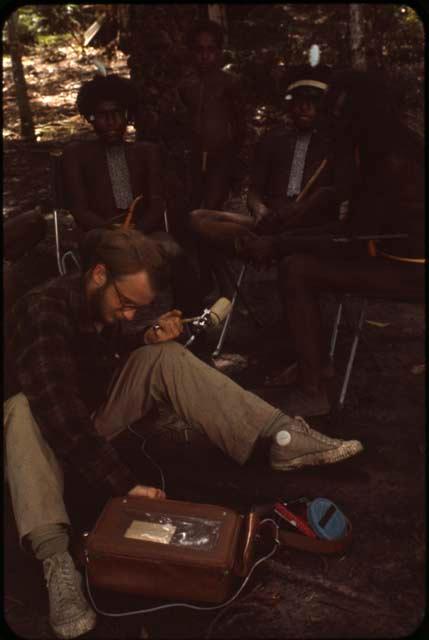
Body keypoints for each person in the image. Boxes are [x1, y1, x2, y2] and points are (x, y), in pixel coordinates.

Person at [5, 228, 363, 639]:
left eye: (135, 308)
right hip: (33, 436)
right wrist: (124, 487)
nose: (127, 314)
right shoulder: (44, 311)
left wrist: (143, 334)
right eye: (125, 304)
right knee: (21, 410)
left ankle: (280, 437)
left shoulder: (98, 302)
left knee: (165, 356)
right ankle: (55, 559)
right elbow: (60, 416)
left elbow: (101, 347)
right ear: (99, 274)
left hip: (85, 419)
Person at [235, 70, 425, 416]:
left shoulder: (391, 160)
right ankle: (316, 364)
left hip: (411, 272)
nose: (330, 120)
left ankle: (313, 390)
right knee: (297, 261)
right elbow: (351, 228)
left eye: (338, 113)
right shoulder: (380, 147)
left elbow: (351, 241)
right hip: (387, 255)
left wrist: (278, 246)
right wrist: (282, 238)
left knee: (297, 270)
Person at [189, 64, 341, 297]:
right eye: (298, 100)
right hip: (267, 224)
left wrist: (294, 217)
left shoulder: (334, 145)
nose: (304, 107)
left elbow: (333, 200)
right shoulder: (273, 139)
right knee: (198, 217)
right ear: (290, 104)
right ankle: (240, 275)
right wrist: (259, 209)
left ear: (324, 106)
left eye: (313, 101)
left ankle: (263, 248)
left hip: (307, 232)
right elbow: (254, 191)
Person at [62, 73, 202, 315]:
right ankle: (101, 331)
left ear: (128, 115)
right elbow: (79, 209)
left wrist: (134, 232)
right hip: (99, 232)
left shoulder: (146, 152)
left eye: (117, 114)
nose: (110, 122)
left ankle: (188, 324)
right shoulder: (76, 154)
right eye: (101, 116)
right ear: (90, 119)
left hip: (143, 230)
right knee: (101, 259)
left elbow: (157, 203)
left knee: (176, 253)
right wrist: (113, 233)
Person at [178, 19, 246, 297]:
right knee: (189, 216)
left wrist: (236, 165)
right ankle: (203, 279)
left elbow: (241, 126)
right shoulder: (186, 85)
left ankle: (222, 283)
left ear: (220, 52)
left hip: (221, 160)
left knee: (209, 215)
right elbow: (183, 122)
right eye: (199, 50)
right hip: (194, 161)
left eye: (211, 50)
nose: (205, 56)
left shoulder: (231, 83)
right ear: (191, 52)